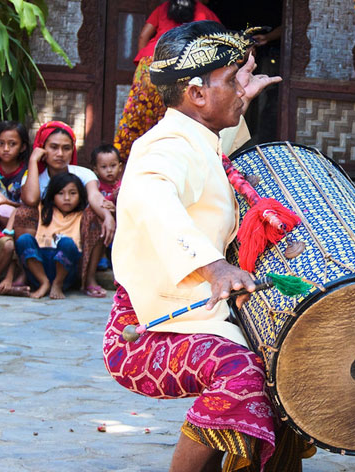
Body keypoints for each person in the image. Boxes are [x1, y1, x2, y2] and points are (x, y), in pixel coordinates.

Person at [102, 21, 300, 472]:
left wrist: (239, 99)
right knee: (236, 370)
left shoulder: (194, 136)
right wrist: (214, 266)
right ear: (195, 93)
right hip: (145, 328)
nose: (243, 88)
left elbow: (212, 151)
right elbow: (151, 200)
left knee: (285, 357)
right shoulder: (163, 148)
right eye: (234, 79)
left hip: (190, 313)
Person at [114, 0, 221, 162]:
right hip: (180, 69)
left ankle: (120, 161)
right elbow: (219, 43)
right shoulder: (205, 13)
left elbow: (144, 35)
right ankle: (163, 160)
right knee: (170, 117)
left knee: (136, 116)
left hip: (149, 65)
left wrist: (144, 62)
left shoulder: (163, 7)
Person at [17, 121, 115, 298]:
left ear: (73, 151)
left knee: (96, 215)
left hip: (72, 255)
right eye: (53, 147)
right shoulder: (33, 176)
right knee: (25, 211)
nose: (60, 154)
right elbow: (30, 199)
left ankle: (89, 278)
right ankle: (28, 275)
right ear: (42, 149)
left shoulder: (84, 174)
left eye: (66, 148)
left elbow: (94, 197)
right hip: (42, 251)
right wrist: (33, 160)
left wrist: (108, 216)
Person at [15, 173, 91, 300]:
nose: (67, 198)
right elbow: (24, 203)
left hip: (66, 270)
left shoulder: (83, 214)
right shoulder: (43, 210)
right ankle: (43, 282)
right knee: (24, 239)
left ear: (80, 195)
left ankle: (57, 283)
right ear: (52, 195)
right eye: (61, 193)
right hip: (39, 264)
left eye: (73, 193)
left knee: (67, 243)